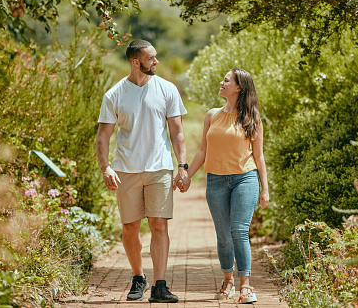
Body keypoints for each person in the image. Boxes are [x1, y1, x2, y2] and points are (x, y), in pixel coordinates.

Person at [96, 39, 190, 303]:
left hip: (160, 168)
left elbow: (177, 132)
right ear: (135, 62)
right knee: (130, 228)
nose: (156, 62)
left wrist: (182, 166)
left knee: (159, 225)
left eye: (156, 57)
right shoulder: (114, 95)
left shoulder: (167, 89)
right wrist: (106, 168)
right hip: (126, 170)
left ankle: (160, 285)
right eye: (151, 59)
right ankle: (139, 277)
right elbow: (103, 136)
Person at [174, 68, 269, 304]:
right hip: (215, 181)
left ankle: (245, 286)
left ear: (239, 87)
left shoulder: (252, 118)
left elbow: (259, 157)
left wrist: (265, 188)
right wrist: (186, 174)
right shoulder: (211, 115)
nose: (222, 82)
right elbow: (203, 151)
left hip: (245, 179)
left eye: (227, 80)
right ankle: (228, 280)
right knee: (223, 235)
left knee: (239, 231)